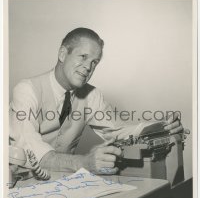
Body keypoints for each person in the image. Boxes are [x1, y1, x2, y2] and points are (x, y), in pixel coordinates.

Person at [9, 27, 183, 175]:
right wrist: (84, 163)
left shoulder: (92, 95)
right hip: (21, 180)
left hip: (65, 181)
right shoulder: (26, 89)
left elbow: (117, 131)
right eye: (83, 57)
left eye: (94, 62)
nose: (88, 67)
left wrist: (162, 127)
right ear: (63, 54)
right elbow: (29, 146)